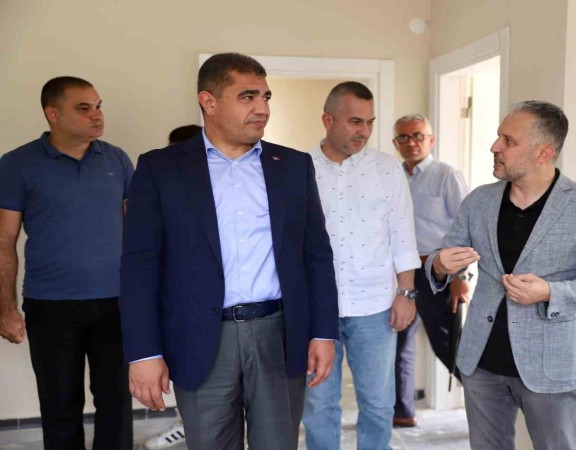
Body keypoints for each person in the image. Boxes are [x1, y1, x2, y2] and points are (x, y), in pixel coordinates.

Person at [120, 52, 339, 450]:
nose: (262, 108)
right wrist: (143, 353)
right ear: (208, 101)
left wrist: (324, 332)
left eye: (266, 97)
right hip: (199, 338)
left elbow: (317, 256)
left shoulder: (293, 166)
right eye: (247, 97)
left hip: (278, 335)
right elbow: (139, 268)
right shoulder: (160, 169)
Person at [427, 100, 576, 450]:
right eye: (498, 137)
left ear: (543, 152)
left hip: (553, 367)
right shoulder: (478, 200)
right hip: (481, 363)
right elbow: (443, 259)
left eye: (508, 141)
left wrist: (550, 292)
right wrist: (440, 266)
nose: (495, 147)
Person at [0, 76, 134, 449]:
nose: (97, 115)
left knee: (116, 404)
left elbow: (138, 235)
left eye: (98, 106)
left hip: (116, 304)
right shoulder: (17, 164)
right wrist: (6, 310)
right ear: (53, 113)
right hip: (50, 305)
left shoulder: (117, 159)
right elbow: (3, 241)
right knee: (60, 407)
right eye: (84, 108)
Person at [301, 82, 419, 450]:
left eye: (369, 122)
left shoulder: (386, 169)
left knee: (378, 404)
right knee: (318, 405)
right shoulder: (299, 168)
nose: (364, 131)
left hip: (375, 306)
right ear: (328, 120)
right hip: (315, 308)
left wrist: (406, 293)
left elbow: (403, 233)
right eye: (355, 121)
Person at [390, 113, 470, 427]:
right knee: (397, 345)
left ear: (431, 140)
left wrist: (460, 277)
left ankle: (484, 406)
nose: (411, 142)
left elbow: (466, 229)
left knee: (450, 347)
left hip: (437, 273)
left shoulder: (446, 176)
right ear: (396, 143)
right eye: (404, 137)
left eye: (418, 136)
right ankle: (402, 412)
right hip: (400, 273)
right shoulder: (391, 177)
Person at [140, 123, 201, 450]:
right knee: (185, 374)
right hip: (177, 305)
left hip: (216, 310)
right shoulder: (164, 190)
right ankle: (185, 424)